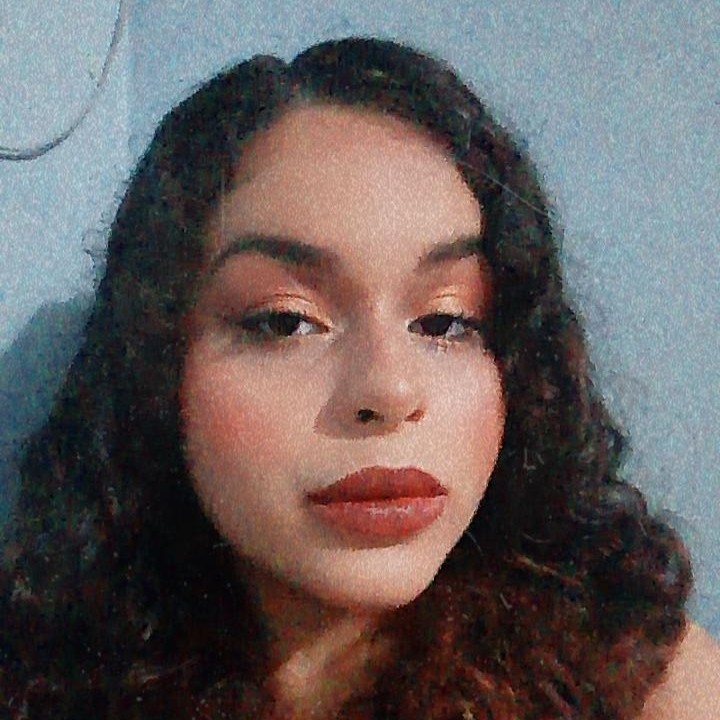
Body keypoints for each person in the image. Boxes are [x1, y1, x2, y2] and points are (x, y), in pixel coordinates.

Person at [0, 36, 717, 720]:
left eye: (446, 321)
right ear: (157, 368)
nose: (389, 391)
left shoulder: (638, 685)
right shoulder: (43, 684)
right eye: (286, 322)